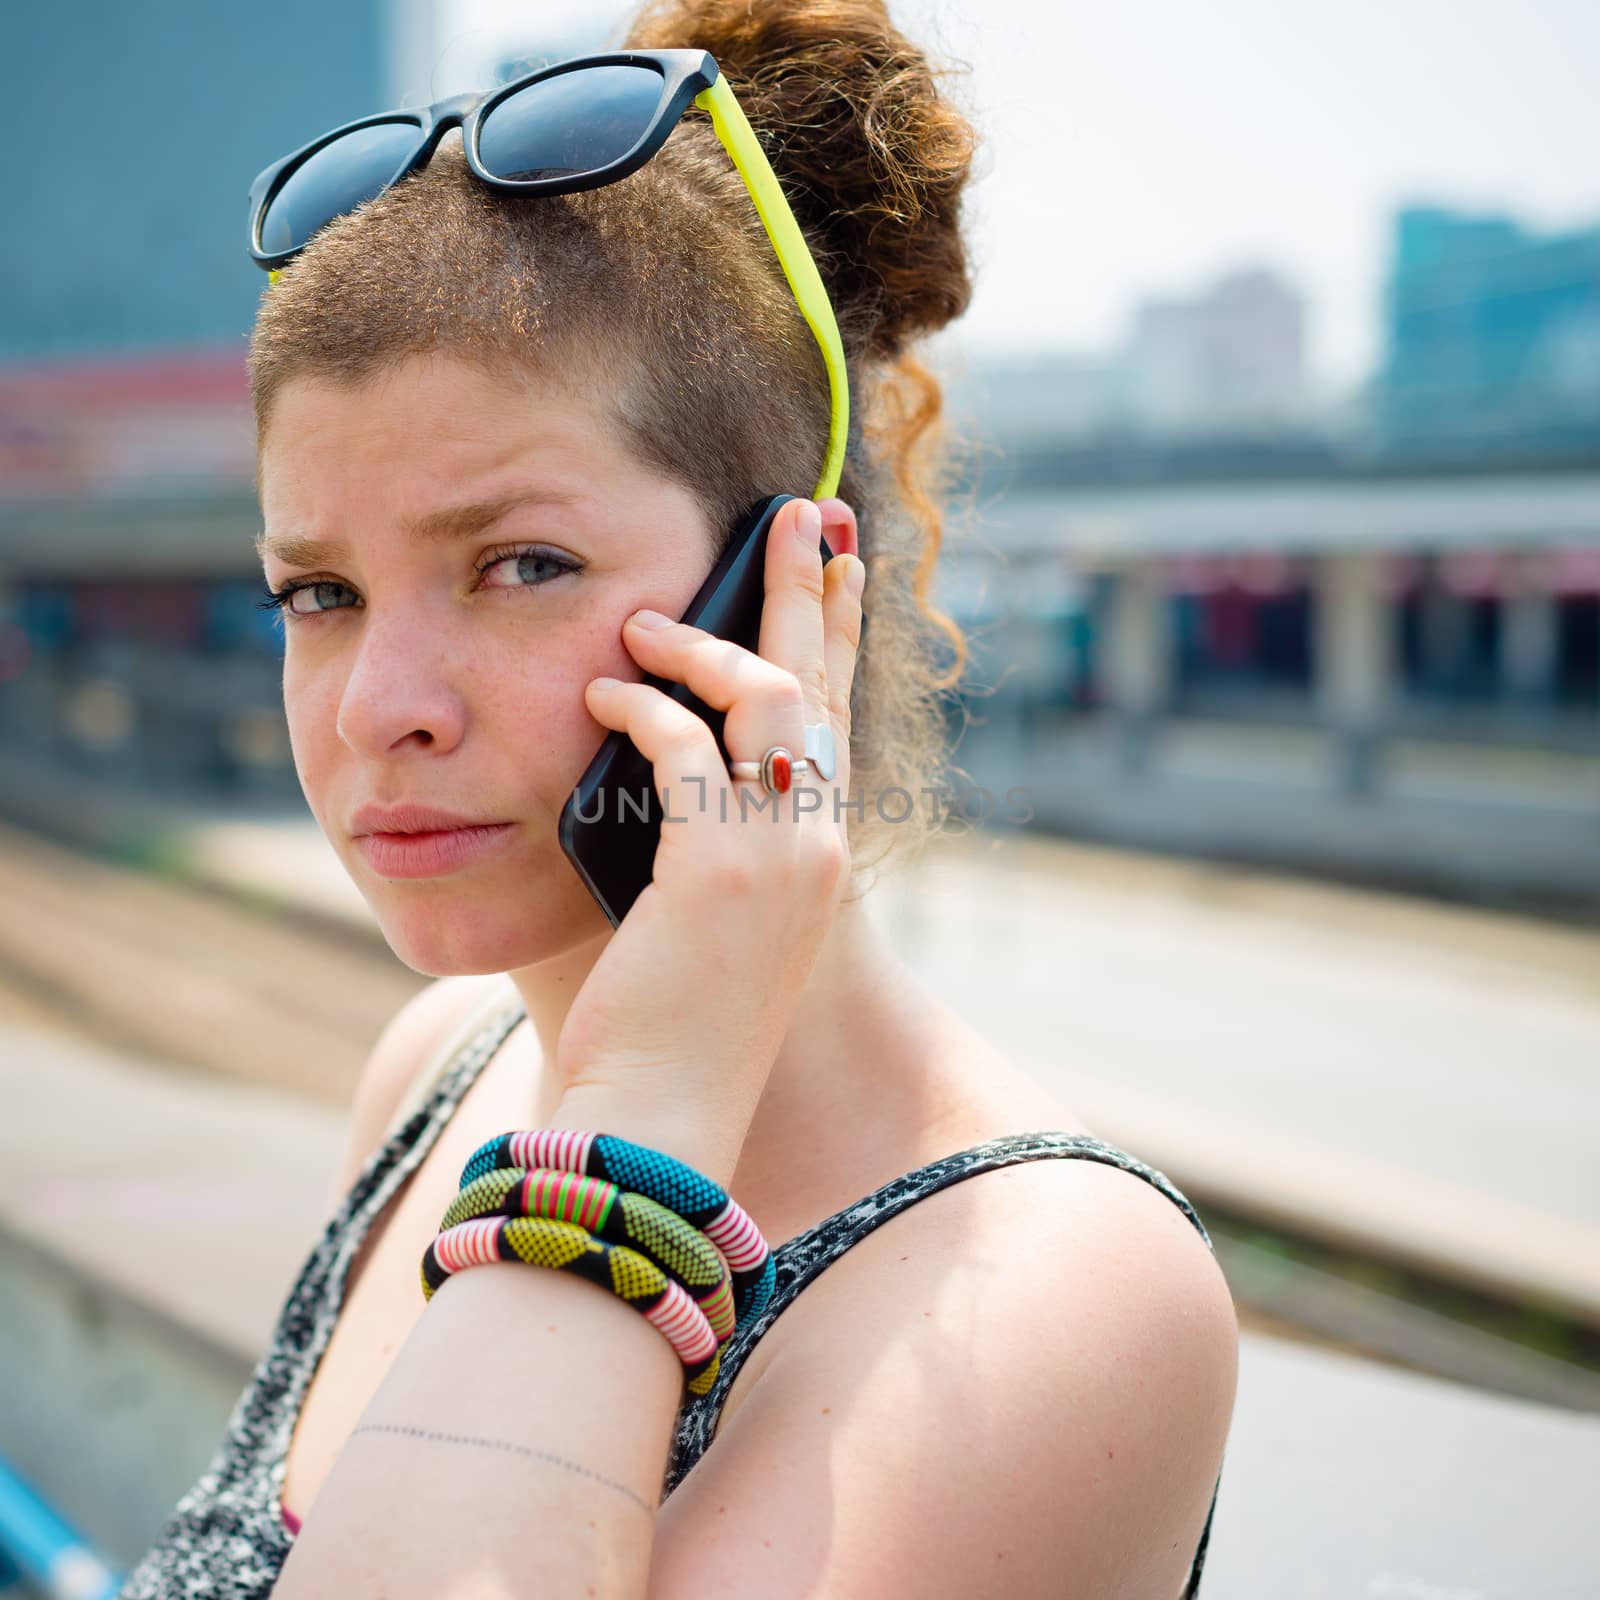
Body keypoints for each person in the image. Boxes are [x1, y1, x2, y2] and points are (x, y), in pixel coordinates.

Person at [117, 1, 1235, 1594]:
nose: (378, 709)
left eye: (519, 564)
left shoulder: (1049, 1291)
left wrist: (641, 1106)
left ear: (783, 596)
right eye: (319, 593)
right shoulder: (445, 1072)